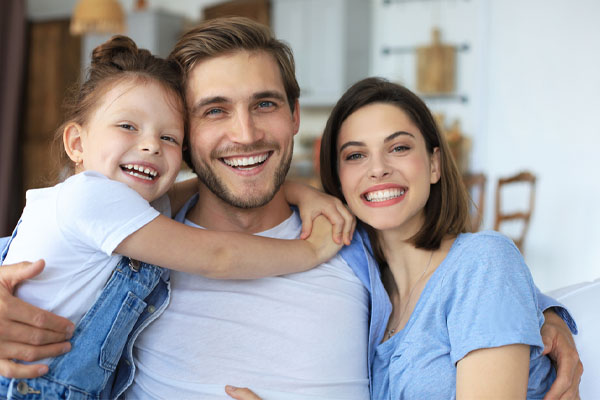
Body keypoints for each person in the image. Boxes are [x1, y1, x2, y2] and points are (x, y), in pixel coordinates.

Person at [0, 18, 582, 400]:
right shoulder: (140, 247)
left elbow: (451, 278)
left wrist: (547, 315)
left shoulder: (346, 236)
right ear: (184, 136)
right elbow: (37, 258)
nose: (246, 133)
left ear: (295, 117)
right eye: (215, 111)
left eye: (265, 104)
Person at [0, 35, 349, 398]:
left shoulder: (142, 206)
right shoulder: (90, 197)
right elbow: (218, 257)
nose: (151, 145)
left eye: (167, 136)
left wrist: (294, 189)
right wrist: (310, 251)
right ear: (76, 143)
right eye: (127, 126)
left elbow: (196, 187)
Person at [319, 77, 580, 398]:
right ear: (339, 180)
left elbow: (490, 273)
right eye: (355, 155)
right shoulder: (365, 293)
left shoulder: (483, 262)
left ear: (434, 164)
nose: (378, 169)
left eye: (398, 148)